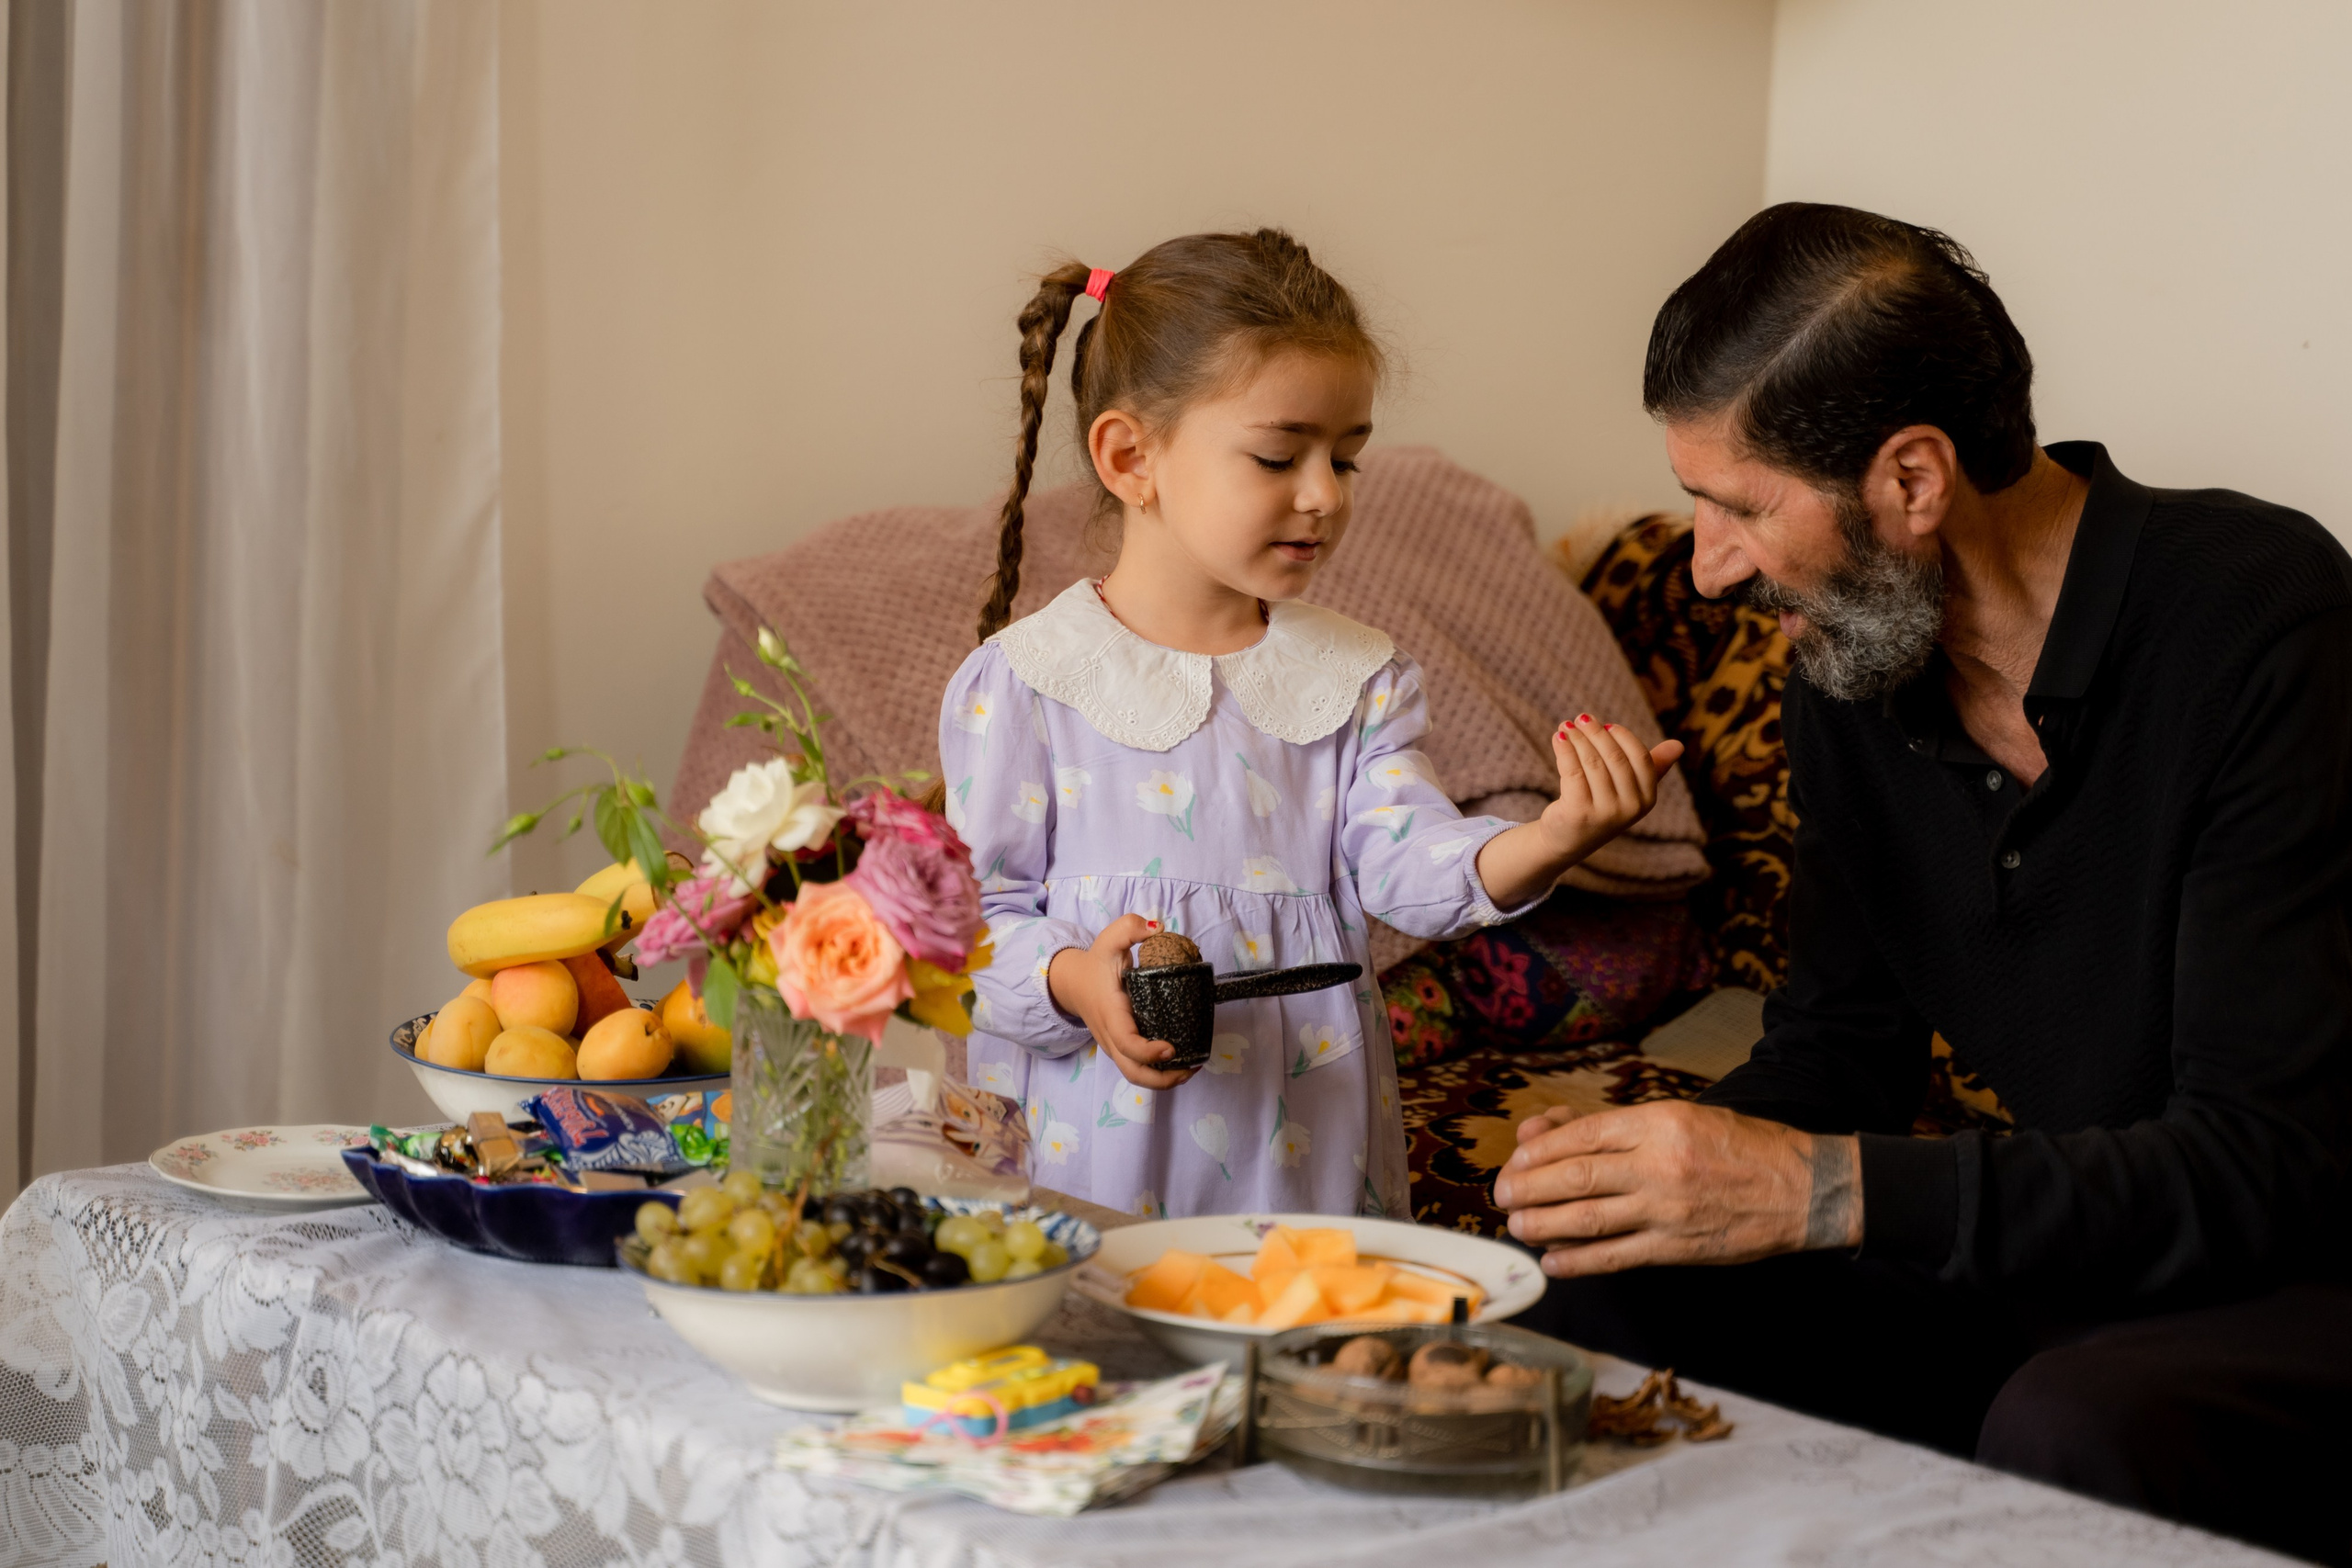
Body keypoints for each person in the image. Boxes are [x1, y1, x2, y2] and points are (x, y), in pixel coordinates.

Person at [1498, 202, 2352, 1562]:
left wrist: (1820, 1190)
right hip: (2069, 1256)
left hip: (2295, 1268)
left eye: (1739, 506)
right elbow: (1839, 1052)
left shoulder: (2264, 618)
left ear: (1911, 479)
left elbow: (2260, 1162)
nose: (1709, 564)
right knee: (1574, 1296)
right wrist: (1650, 1175)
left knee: (2075, 1423)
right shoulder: (1856, 666)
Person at [939, 230, 1679, 1219]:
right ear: (1130, 456)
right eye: (1280, 455)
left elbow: (1408, 871)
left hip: (1305, 1150)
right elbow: (971, 934)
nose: (1324, 495)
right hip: (1088, 1150)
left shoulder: (1355, 677)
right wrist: (1077, 979)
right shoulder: (1028, 682)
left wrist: (1552, 837)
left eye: (1347, 460)